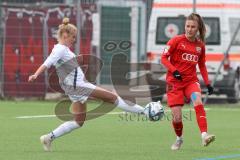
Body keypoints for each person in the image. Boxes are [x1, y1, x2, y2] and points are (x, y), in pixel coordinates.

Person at [28, 18, 151, 151]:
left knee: (78, 122)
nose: (74, 40)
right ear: (65, 35)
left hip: (75, 88)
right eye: (73, 37)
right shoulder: (60, 49)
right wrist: (36, 74)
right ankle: (144, 112)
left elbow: (67, 67)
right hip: (79, 87)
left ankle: (48, 137)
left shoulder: (64, 50)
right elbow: (48, 62)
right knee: (113, 98)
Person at [161, 13, 215, 150]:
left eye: (193, 27)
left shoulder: (200, 46)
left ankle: (204, 135)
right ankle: (179, 138)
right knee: (177, 117)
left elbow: (202, 65)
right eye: (187, 26)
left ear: (198, 29)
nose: (189, 29)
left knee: (197, 101)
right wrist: (174, 71)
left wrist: (207, 83)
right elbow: (163, 59)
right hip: (174, 83)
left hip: (191, 82)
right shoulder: (175, 41)